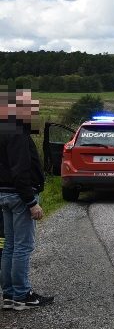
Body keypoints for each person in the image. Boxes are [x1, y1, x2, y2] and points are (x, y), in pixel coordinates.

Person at [0, 88, 54, 311]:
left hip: (4, 194)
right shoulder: (18, 132)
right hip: (19, 195)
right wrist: (31, 202)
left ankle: (10, 295)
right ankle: (22, 295)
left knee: (10, 246)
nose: (33, 112)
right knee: (22, 246)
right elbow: (21, 170)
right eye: (30, 108)